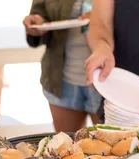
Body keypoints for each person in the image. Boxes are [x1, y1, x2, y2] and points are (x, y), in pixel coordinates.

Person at [23, 0, 103, 132]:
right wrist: (37, 22)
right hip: (61, 79)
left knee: (112, 149)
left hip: (109, 79)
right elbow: (40, 10)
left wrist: (105, 18)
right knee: (66, 148)